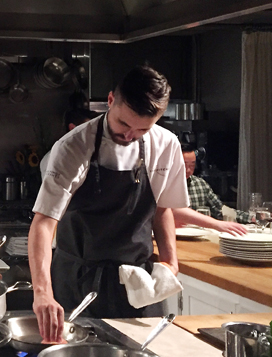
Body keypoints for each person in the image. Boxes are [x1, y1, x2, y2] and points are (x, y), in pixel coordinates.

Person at [29, 65, 188, 343]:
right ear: (111, 100)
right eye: (124, 124)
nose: (129, 136)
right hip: (78, 280)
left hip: (137, 283)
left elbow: (162, 209)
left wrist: (170, 261)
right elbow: (43, 222)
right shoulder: (73, 147)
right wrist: (42, 293)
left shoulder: (166, 145)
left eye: (142, 129)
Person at [171, 146, 249, 235]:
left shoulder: (200, 184)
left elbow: (220, 210)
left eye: (192, 165)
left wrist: (251, 218)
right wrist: (216, 224)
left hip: (198, 235)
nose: (188, 170)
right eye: (184, 165)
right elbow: (174, 211)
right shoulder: (164, 184)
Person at [39, 108, 100, 176]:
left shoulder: (89, 155)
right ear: (72, 128)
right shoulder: (55, 158)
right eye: (89, 130)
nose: (94, 135)